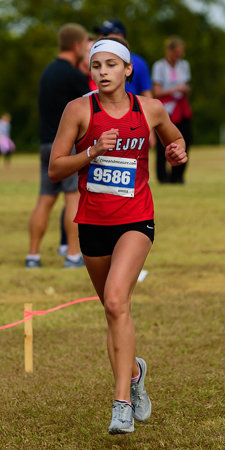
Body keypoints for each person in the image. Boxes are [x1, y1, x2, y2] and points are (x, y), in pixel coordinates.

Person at [48, 37, 187, 434]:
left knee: (114, 299)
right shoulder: (78, 110)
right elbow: (56, 170)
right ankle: (136, 374)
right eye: (96, 66)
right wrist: (91, 151)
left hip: (136, 219)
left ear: (127, 70)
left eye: (111, 64)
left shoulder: (150, 108)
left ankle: (121, 404)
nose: (103, 71)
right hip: (92, 222)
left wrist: (177, 152)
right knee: (114, 312)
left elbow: (174, 139)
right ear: (90, 71)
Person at [25, 23, 90, 269]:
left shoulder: (47, 72)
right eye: (85, 46)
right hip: (66, 147)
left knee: (45, 200)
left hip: (45, 145)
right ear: (76, 46)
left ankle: (33, 256)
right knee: (73, 196)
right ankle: (73, 256)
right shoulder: (73, 75)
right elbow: (91, 106)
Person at [58, 33, 98, 258]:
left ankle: (65, 246)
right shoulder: (78, 80)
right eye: (88, 51)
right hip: (76, 144)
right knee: (75, 196)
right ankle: (72, 252)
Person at [94, 19, 156, 148]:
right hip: (100, 120)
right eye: (100, 34)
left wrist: (151, 129)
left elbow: (146, 94)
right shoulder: (95, 61)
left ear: (119, 36)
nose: (100, 38)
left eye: (105, 35)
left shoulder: (137, 62)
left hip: (132, 122)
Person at [152, 35, 192, 184]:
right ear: (169, 51)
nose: (179, 56)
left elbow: (187, 86)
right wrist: (176, 88)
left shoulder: (184, 65)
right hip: (166, 109)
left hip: (181, 108)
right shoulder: (160, 66)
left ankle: (178, 176)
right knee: (164, 143)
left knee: (185, 140)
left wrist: (185, 90)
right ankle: (163, 177)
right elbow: (157, 92)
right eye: (176, 52)